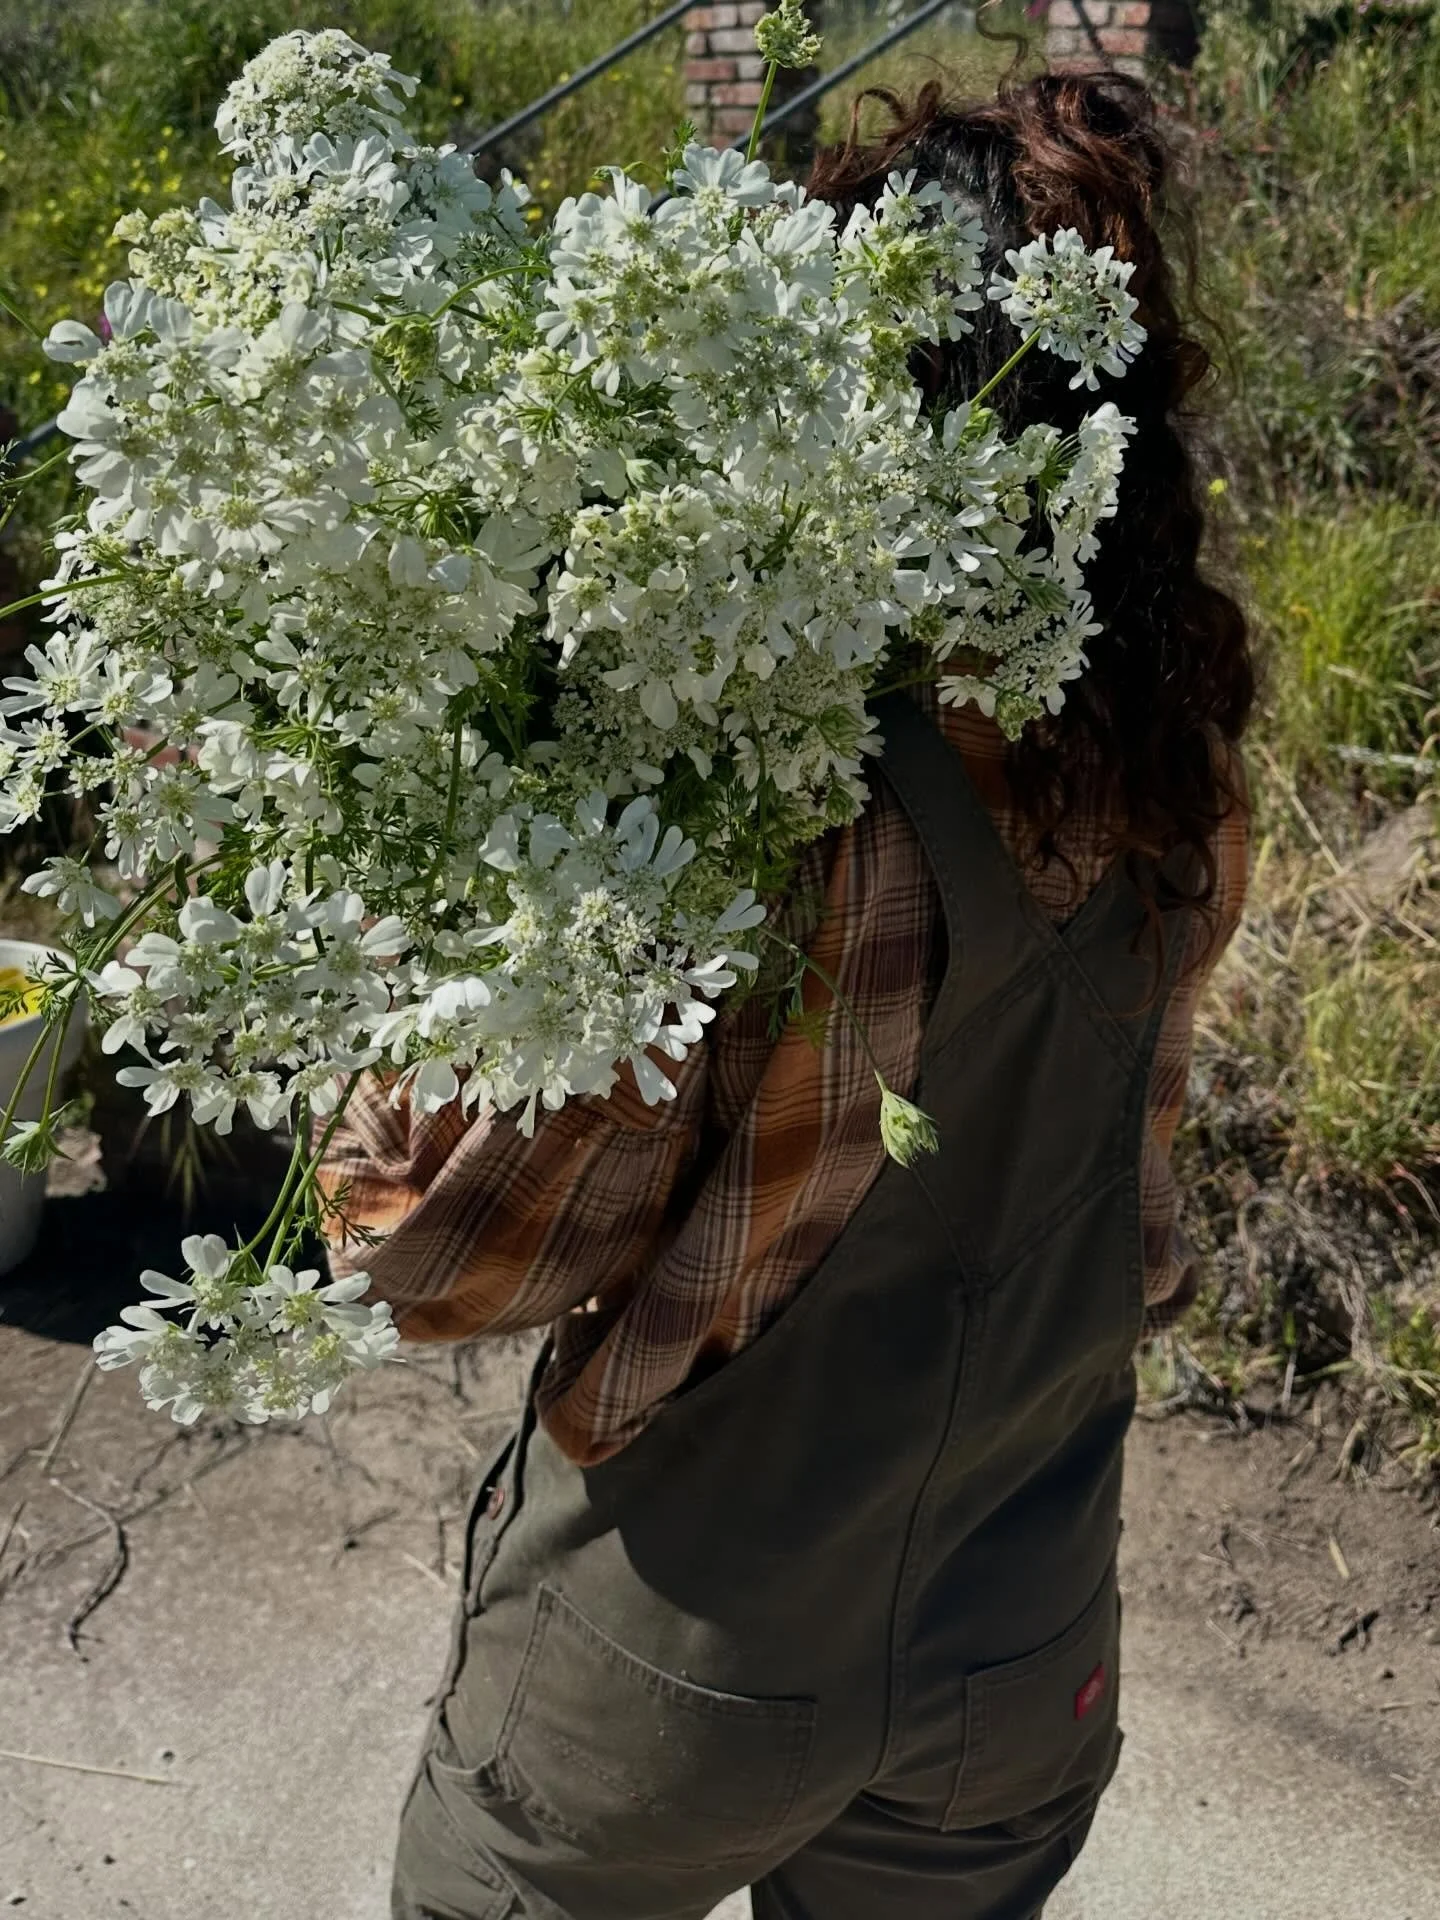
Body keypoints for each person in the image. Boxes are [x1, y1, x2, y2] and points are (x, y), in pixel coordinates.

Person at [319, 68, 1252, 1920]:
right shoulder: (1180, 770)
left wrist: (387, 1043)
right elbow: (1133, 1230)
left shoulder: (782, 811)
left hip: (677, 1680)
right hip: (1023, 1647)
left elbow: (442, 1265)